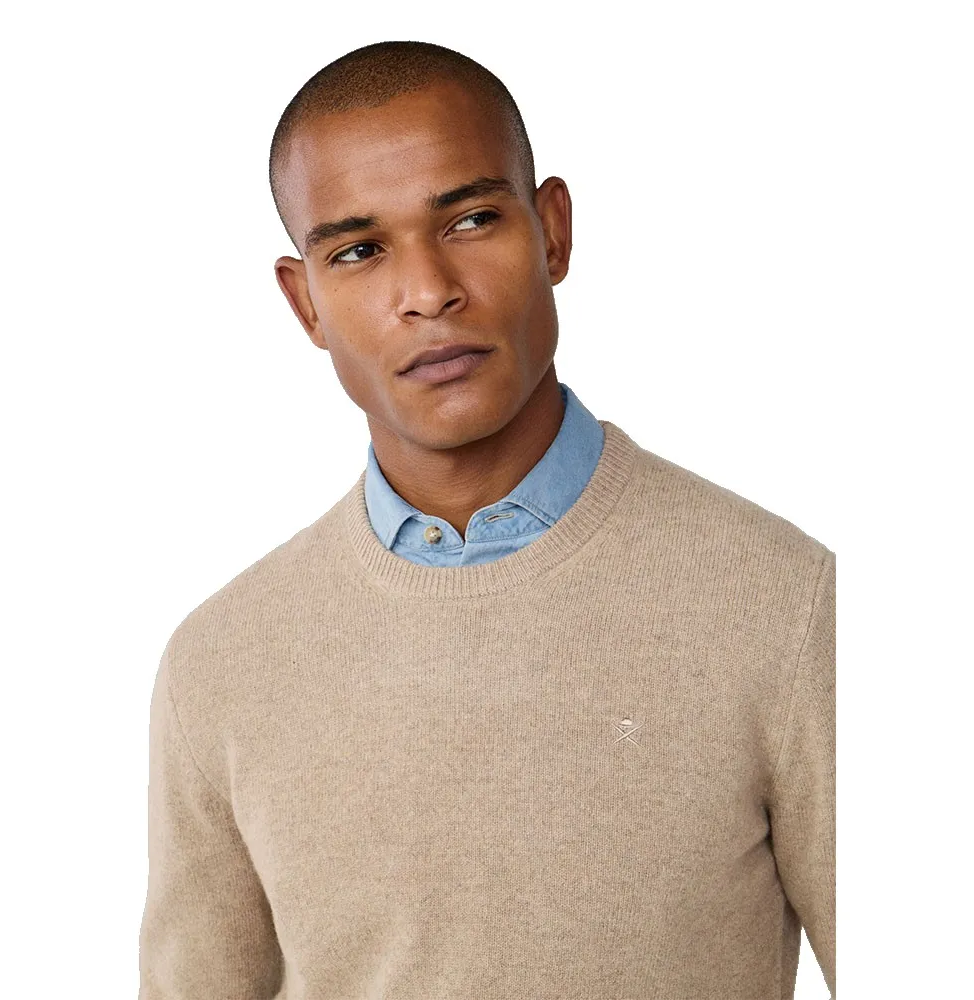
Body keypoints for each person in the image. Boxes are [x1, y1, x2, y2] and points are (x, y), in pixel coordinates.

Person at [138, 40, 835, 1000]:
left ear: (552, 232)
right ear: (306, 304)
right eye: (358, 250)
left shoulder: (786, 604)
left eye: (469, 220)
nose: (429, 291)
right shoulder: (221, 664)